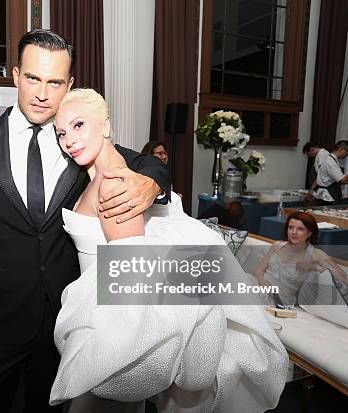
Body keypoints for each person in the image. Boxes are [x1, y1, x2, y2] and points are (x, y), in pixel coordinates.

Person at [0, 29, 171, 412]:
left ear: (70, 84)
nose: (42, 93)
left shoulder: (77, 141)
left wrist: (151, 183)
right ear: (15, 75)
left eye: (55, 82)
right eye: (32, 78)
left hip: (62, 325)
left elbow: (143, 162)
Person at [51, 88, 288, 412]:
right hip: (98, 314)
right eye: (61, 132)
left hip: (111, 326)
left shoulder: (116, 182)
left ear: (105, 126)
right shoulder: (95, 175)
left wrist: (112, 350)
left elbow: (129, 281)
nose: (68, 140)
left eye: (78, 125)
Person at [254, 211, 348, 306]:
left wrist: (315, 267)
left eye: (300, 229)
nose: (294, 232)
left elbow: (344, 278)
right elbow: (259, 271)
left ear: (309, 233)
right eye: (290, 227)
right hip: (258, 289)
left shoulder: (316, 254)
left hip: (280, 301)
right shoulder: (277, 245)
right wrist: (261, 281)